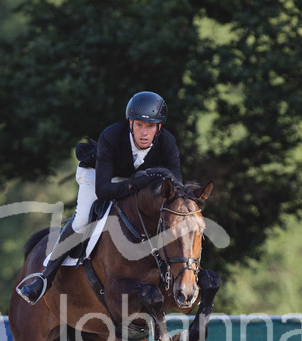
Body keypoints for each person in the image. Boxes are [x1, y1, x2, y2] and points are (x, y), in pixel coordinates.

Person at [16, 91, 183, 304]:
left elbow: (177, 186)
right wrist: (143, 181)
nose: (143, 132)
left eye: (150, 127)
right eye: (139, 125)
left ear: (159, 127)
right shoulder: (112, 136)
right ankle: (43, 279)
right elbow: (103, 191)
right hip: (98, 176)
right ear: (130, 123)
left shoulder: (167, 142)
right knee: (83, 219)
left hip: (134, 179)